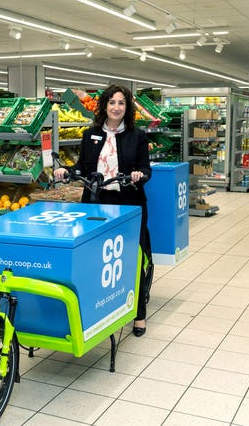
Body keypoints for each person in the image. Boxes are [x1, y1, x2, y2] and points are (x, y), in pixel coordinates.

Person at [54, 84, 153, 337]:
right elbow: (83, 167)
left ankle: (139, 313)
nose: (116, 107)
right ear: (104, 106)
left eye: (121, 103)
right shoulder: (91, 134)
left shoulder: (137, 135)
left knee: (133, 254)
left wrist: (138, 175)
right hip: (96, 202)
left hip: (128, 204)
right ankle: (101, 307)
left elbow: (147, 170)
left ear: (126, 108)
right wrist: (67, 171)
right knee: (97, 257)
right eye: (112, 102)